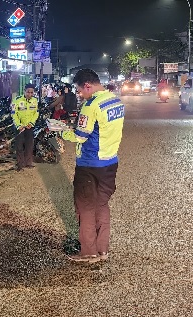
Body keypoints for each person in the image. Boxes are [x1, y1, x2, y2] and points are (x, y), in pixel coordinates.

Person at [60, 69, 124, 263]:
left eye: (80, 91)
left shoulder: (91, 105)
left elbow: (80, 136)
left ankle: (88, 252)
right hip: (110, 162)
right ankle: (103, 250)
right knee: (102, 205)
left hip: (89, 164)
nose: (79, 95)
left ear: (88, 85)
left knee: (85, 208)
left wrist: (62, 132)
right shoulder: (115, 101)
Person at [11, 83, 40, 171]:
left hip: (29, 127)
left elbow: (36, 113)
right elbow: (13, 114)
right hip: (19, 128)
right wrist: (19, 125)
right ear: (24, 91)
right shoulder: (17, 100)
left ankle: (28, 163)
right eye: (28, 92)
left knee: (29, 145)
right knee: (19, 146)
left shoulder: (35, 100)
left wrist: (31, 123)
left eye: (32, 93)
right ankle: (20, 164)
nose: (30, 94)